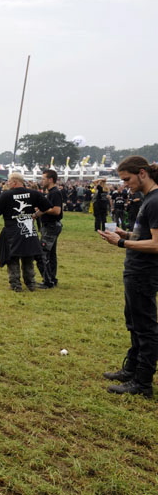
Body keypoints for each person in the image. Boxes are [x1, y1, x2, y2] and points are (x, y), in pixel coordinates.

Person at [98, 156, 158, 398]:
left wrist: (122, 242)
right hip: (136, 270)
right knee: (134, 323)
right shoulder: (148, 199)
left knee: (145, 328)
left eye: (127, 179)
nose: (125, 185)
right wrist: (129, 234)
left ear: (142, 173)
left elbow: (156, 244)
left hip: (144, 272)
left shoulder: (155, 201)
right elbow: (146, 236)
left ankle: (142, 383)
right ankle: (131, 370)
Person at [0, 173, 53, 292]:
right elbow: (46, 207)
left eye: (9, 181)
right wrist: (34, 215)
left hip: (12, 230)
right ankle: (30, 283)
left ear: (15, 182)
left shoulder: (6, 195)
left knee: (13, 258)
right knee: (28, 256)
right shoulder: (33, 193)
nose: (8, 184)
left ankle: (15, 284)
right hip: (28, 230)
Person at [36, 169, 63, 289]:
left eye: (43, 178)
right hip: (50, 225)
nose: (41, 181)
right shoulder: (50, 192)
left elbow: (56, 211)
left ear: (50, 179)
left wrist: (43, 209)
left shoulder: (55, 193)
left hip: (51, 226)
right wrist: (36, 214)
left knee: (43, 254)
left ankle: (47, 281)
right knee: (51, 254)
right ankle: (52, 278)